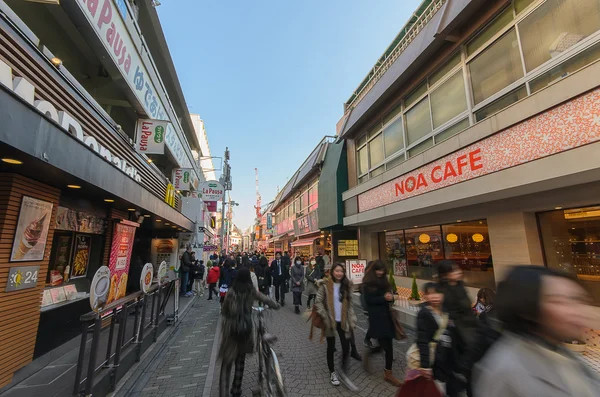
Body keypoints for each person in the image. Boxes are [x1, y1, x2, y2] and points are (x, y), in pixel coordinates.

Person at [474, 266, 600, 397]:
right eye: (558, 301)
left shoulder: (561, 352)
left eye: (578, 299)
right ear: (528, 309)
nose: (576, 311)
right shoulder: (505, 372)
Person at [218, 268, 280, 397]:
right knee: (240, 362)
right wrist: (275, 305)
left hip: (231, 331)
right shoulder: (250, 291)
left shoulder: (231, 292)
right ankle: (236, 390)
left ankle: (223, 393)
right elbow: (265, 298)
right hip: (245, 330)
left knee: (227, 364)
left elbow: (224, 311)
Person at [437, 260, 478, 395]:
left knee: (471, 374)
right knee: (455, 371)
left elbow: (467, 309)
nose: (458, 272)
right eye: (453, 270)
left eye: (457, 269)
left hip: (468, 334)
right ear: (445, 275)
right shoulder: (441, 290)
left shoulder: (460, 286)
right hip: (454, 337)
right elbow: (445, 313)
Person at [314, 263, 357, 387]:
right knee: (331, 347)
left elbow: (350, 304)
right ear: (332, 271)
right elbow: (318, 302)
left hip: (343, 321)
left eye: (341, 271)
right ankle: (332, 372)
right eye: (337, 271)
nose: (339, 273)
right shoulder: (326, 285)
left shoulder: (347, 286)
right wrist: (325, 316)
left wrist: (352, 317)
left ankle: (343, 371)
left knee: (346, 347)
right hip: (330, 321)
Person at [362, 260, 402, 387]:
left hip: (387, 317)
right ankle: (388, 373)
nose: (380, 272)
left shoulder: (385, 282)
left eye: (382, 270)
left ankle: (384, 369)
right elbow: (369, 301)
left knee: (386, 345)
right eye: (378, 270)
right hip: (377, 318)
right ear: (373, 271)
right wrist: (383, 298)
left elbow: (389, 296)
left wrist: (391, 297)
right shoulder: (367, 284)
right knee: (387, 346)